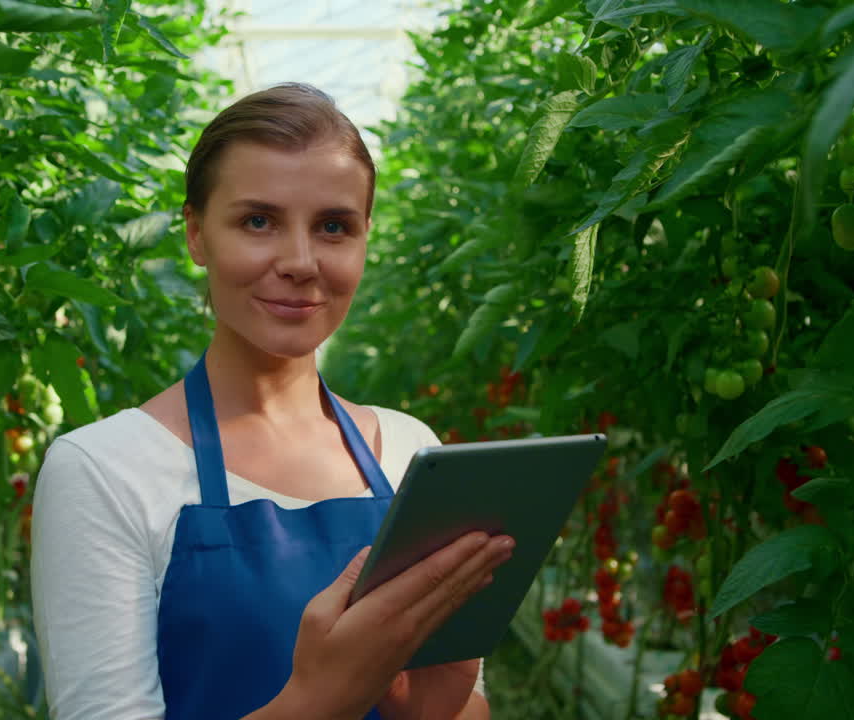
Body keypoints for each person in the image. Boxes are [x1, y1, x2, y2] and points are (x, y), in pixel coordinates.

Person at [30, 82, 515, 720]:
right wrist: (321, 698)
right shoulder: (104, 470)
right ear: (197, 235)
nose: (300, 261)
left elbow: (464, 704)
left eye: (334, 227)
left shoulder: (409, 450)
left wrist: (428, 708)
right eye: (258, 221)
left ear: (366, 238)